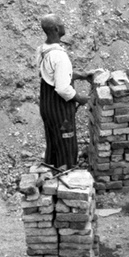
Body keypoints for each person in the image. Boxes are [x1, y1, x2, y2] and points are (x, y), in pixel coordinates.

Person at [36, 14, 91, 170]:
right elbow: (62, 88)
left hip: (46, 104)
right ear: (56, 29)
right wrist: (80, 98)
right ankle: (67, 176)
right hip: (59, 108)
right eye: (62, 23)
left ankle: (50, 173)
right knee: (66, 144)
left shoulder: (42, 50)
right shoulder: (59, 56)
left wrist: (81, 75)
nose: (64, 25)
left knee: (53, 142)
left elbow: (52, 75)